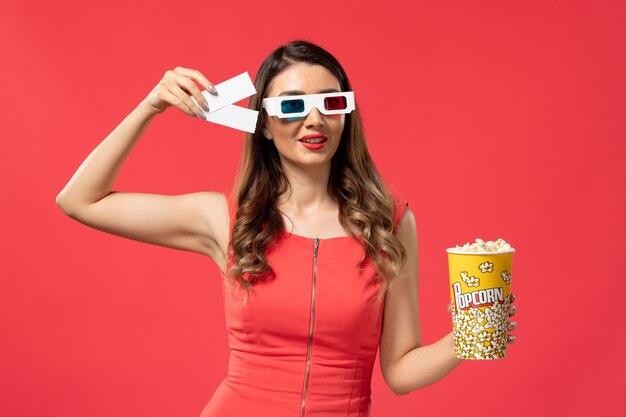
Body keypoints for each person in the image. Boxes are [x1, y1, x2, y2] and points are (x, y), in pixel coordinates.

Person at [56, 40, 518, 416]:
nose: (313, 119)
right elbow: (80, 200)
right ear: (263, 123)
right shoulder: (226, 219)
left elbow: (400, 371)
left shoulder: (389, 224)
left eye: (330, 103)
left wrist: (470, 336)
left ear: (345, 116)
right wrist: (151, 105)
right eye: (293, 105)